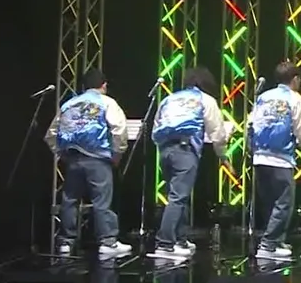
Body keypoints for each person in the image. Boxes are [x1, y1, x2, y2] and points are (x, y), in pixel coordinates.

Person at [45, 67, 131, 258]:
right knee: (101, 200)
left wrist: (61, 153)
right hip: (98, 158)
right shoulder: (107, 102)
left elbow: (51, 133)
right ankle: (107, 242)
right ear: (104, 85)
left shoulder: (69, 104)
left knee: (70, 200)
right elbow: (119, 130)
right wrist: (117, 153)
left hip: (73, 159)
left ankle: (65, 242)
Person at [150, 66, 229, 260]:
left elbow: (156, 126)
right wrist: (223, 156)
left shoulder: (169, 99)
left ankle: (180, 239)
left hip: (165, 150)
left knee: (177, 195)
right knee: (178, 197)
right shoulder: (205, 100)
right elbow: (217, 132)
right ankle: (165, 243)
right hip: (185, 150)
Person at [248, 61, 301, 260]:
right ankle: (268, 245)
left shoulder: (263, 97)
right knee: (284, 203)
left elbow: (251, 124)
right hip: (280, 158)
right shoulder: (294, 99)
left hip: (260, 157)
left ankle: (276, 241)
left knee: (270, 203)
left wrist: (251, 149)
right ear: (295, 79)